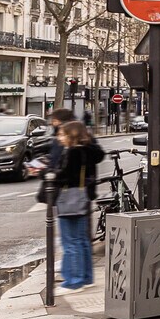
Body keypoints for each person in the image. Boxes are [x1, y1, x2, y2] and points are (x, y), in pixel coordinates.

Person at [50, 121, 105, 291]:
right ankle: (86, 277)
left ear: (71, 136)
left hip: (69, 201)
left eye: (62, 135)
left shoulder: (72, 152)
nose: (59, 138)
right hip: (82, 198)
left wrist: (49, 174)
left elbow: (65, 176)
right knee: (82, 241)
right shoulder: (87, 151)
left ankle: (74, 281)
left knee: (70, 242)